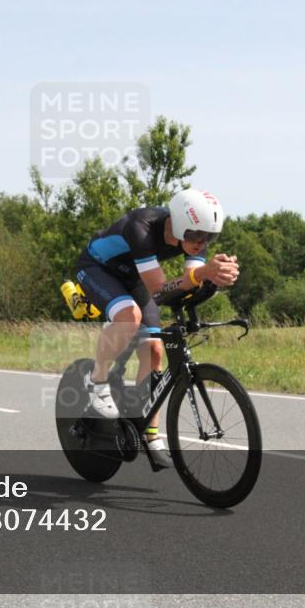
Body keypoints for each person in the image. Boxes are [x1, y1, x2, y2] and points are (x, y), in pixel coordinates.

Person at [74, 189, 240, 468]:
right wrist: (202, 274)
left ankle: (150, 434)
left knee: (154, 349)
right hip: (97, 269)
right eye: (194, 236)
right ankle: (97, 380)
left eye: (209, 237)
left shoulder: (195, 234)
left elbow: (189, 284)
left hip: (135, 276)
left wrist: (215, 279)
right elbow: (160, 290)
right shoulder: (141, 228)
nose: (200, 243)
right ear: (176, 223)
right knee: (129, 316)